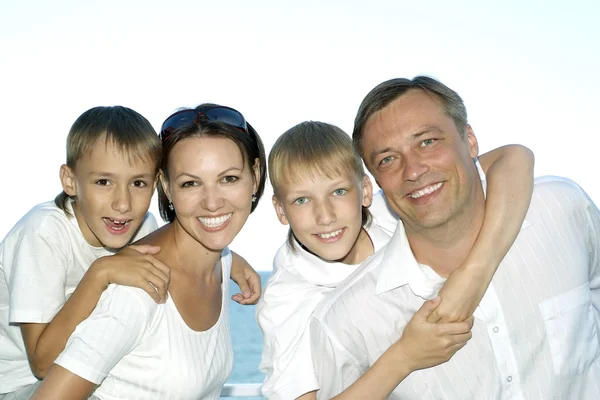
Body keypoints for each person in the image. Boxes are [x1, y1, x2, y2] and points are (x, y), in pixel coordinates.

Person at [309, 76, 600, 399]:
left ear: (470, 140)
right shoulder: (347, 320)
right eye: (388, 159)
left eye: (428, 142)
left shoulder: (562, 211)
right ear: (374, 180)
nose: (413, 170)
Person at [258, 120, 534, 399]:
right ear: (280, 210)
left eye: (339, 192)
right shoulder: (287, 300)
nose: (325, 216)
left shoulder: (390, 211)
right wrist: (405, 355)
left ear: (365, 191)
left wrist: (475, 272)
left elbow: (513, 157)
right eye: (302, 200)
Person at [0, 105, 261, 400]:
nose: (122, 203)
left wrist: (230, 260)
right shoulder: (42, 233)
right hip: (17, 386)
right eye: (103, 182)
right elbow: (42, 362)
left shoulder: (139, 227)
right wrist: (101, 273)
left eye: (138, 183)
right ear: (70, 181)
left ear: (154, 185)